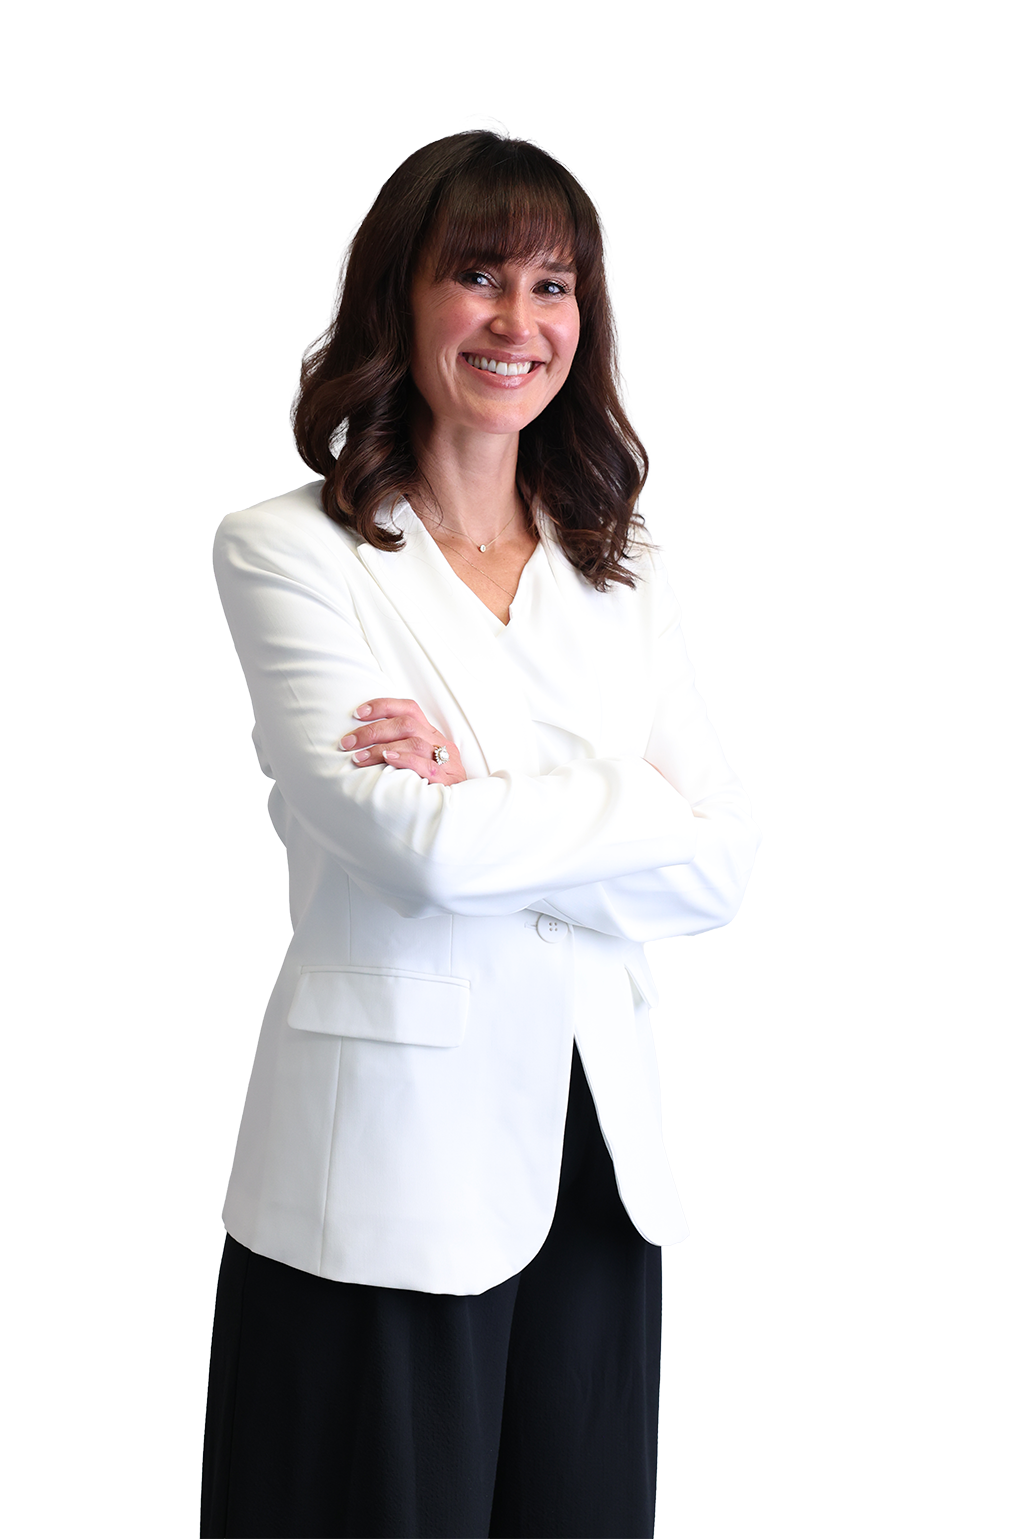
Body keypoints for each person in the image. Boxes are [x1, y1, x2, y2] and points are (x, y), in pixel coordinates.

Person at [201, 129, 759, 1539]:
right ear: (401, 296)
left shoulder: (616, 576)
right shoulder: (292, 550)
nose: (521, 322)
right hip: (382, 1172)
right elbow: (409, 849)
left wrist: (486, 785)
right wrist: (619, 803)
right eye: (477, 277)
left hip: (593, 1165)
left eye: (554, 284)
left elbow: (720, 861)